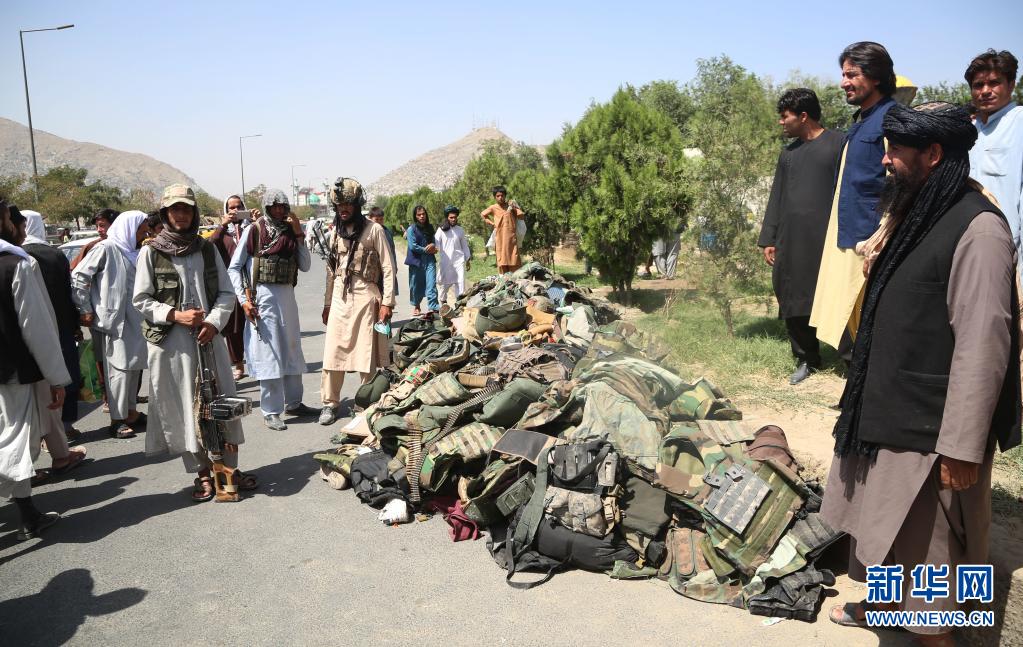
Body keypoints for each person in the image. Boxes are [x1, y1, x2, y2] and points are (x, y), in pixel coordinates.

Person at [822, 103, 1020, 644]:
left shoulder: (979, 231)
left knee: (932, 567)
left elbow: (984, 345)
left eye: (895, 151)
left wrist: (961, 447)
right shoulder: (917, 211)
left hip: (931, 432)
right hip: (889, 410)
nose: (885, 160)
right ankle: (885, 609)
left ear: (933, 154)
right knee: (883, 535)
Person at [134, 184, 257, 502]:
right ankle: (202, 472)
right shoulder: (151, 252)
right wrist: (175, 315)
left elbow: (227, 293)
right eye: (175, 209)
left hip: (209, 340)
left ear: (194, 213)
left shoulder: (206, 249)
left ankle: (228, 469)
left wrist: (214, 323)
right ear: (165, 214)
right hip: (172, 345)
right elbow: (141, 300)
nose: (181, 214)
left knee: (223, 403)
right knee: (186, 408)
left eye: (186, 209)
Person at [810, 42, 898, 355]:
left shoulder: (892, 119)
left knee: (870, 319)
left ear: (876, 76)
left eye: (852, 74)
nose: (843, 82)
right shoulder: (861, 120)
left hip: (870, 238)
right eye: (843, 74)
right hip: (848, 233)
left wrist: (883, 237)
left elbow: (898, 183)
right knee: (848, 318)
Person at [758, 88, 845, 384]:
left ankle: (851, 357)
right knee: (792, 293)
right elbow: (777, 196)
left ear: (804, 116)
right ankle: (807, 357)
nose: (781, 122)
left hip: (829, 239)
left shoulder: (839, 144)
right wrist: (769, 239)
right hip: (792, 239)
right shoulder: (789, 154)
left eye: (785, 116)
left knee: (837, 295)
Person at [0, 199, 70, 539]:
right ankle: (28, 515)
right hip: (13, 375)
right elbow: (37, 328)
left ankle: (28, 515)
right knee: (16, 445)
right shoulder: (17, 265)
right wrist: (57, 378)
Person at [228, 189, 317, 431]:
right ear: (267, 208)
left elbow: (305, 265)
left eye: (282, 206)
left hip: (287, 298)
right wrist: (244, 300)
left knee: (291, 350)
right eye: (274, 206)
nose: (278, 210)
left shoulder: (290, 232)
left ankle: (294, 403)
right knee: (269, 354)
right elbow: (234, 268)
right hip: (262, 299)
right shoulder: (254, 230)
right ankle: (270, 411)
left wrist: (298, 233)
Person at [318, 177, 396, 426]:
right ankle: (330, 403)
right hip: (340, 297)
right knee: (333, 351)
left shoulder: (374, 230)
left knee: (366, 354)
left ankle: (366, 403)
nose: (343, 208)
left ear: (357, 205)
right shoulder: (335, 232)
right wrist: (328, 304)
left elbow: (388, 268)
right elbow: (331, 271)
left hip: (366, 296)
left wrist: (387, 303)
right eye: (339, 205)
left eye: (348, 204)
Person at [19, 210, 88, 472]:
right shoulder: (49, 255)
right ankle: (63, 434)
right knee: (59, 382)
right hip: (55, 329)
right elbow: (65, 293)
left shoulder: (16, 256)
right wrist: (74, 325)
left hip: (25, 337)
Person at [72, 211, 150, 439]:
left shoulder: (135, 251)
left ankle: (130, 412)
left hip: (136, 321)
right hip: (115, 322)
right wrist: (85, 309)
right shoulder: (106, 248)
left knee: (133, 368)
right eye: (141, 229)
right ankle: (117, 419)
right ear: (129, 227)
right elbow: (79, 277)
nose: (144, 233)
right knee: (118, 371)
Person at [966, 49, 1023, 278]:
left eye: (994, 83)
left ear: (1011, 84)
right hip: (970, 242)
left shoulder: (1019, 123)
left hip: (1010, 249)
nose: (985, 91)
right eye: (978, 85)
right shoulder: (970, 131)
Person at [211, 195, 256, 380]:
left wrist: (256, 221)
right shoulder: (223, 232)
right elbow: (210, 245)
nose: (236, 210)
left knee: (255, 322)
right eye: (231, 207)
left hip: (252, 283)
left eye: (239, 206)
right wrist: (222, 225)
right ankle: (238, 364)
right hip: (231, 284)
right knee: (234, 327)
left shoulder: (252, 228)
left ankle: (257, 362)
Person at [481, 185, 525, 273]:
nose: (500, 198)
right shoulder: (493, 207)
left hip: (511, 239)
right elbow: (483, 214)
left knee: (514, 260)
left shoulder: (510, 205)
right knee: (502, 260)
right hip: (500, 239)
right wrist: (492, 223)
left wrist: (515, 206)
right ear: (495, 197)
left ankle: (515, 279)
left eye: (502, 195)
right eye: (498, 196)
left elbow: (521, 216)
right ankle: (504, 279)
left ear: (505, 196)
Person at [404, 204, 439, 316]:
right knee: (415, 285)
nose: (422, 216)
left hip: (429, 260)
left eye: (423, 214)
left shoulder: (430, 227)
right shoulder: (411, 229)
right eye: (419, 215)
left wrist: (433, 245)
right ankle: (416, 305)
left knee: (431, 284)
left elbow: (433, 241)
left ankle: (433, 307)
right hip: (416, 261)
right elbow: (413, 246)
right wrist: (426, 250)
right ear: (415, 216)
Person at [435, 205, 472, 305]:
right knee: (444, 285)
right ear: (447, 217)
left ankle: (459, 305)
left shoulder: (460, 230)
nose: (453, 219)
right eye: (451, 217)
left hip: (459, 261)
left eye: (455, 217)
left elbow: (464, 246)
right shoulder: (441, 230)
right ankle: (443, 302)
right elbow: (436, 244)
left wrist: (468, 260)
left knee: (460, 282)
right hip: (446, 262)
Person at [368, 206, 399, 297]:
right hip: (373, 269)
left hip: (386, 266)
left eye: (381, 219)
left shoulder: (387, 232)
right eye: (376, 220)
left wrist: (394, 265)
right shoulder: (367, 233)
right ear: (370, 219)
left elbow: (392, 250)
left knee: (388, 292)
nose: (379, 222)